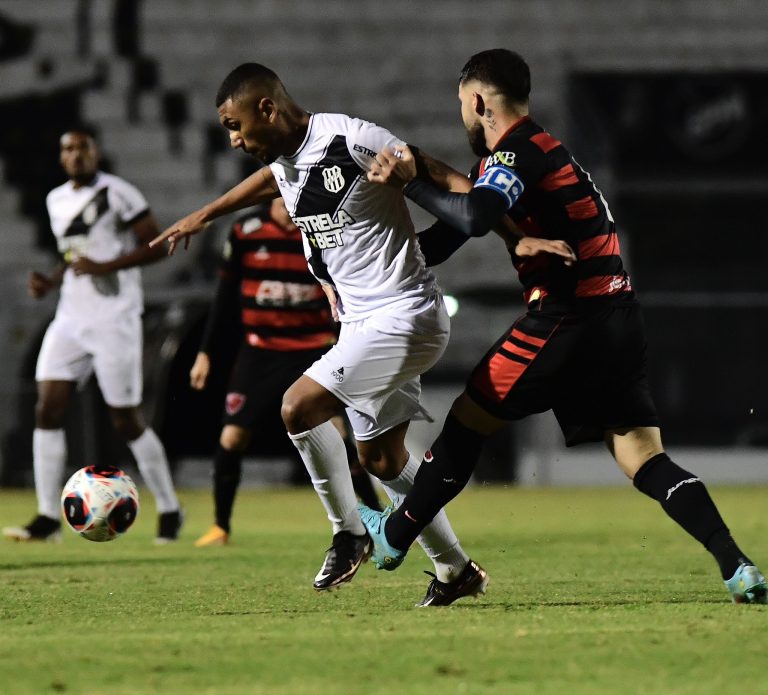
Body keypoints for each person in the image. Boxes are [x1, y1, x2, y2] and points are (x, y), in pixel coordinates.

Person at [358, 48, 767, 605]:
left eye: (461, 104)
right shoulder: (544, 153)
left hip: (567, 316)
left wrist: (409, 183)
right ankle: (736, 565)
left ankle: (395, 537)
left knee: (466, 422)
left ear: (478, 102)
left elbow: (475, 218)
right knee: (643, 458)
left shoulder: (517, 153)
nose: (461, 115)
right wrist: (358, 262)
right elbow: (447, 236)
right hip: (618, 318)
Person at [150, 62, 487, 606]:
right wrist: (204, 214)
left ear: (268, 109)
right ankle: (456, 569)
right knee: (381, 460)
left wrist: (515, 230)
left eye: (235, 126)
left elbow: (450, 181)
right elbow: (275, 180)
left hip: (405, 313)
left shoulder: (353, 139)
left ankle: (348, 531)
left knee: (297, 407)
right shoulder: (282, 161)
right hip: (360, 321)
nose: (233, 141)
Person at [2, 127, 184, 545]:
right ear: (61, 157)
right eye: (68, 148)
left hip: (114, 319)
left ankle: (171, 508)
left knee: (125, 419)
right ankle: (48, 516)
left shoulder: (119, 192)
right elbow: (74, 254)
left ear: (96, 152)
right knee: (47, 408)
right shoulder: (55, 199)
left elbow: (157, 243)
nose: (76, 154)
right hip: (71, 316)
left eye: (83, 147)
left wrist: (108, 267)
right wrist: (49, 281)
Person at [190, 197, 383, 547]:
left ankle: (377, 516)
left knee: (339, 435)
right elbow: (224, 296)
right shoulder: (245, 230)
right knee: (231, 438)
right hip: (259, 352)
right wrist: (205, 353)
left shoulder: (320, 227)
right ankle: (221, 527)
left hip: (311, 349)